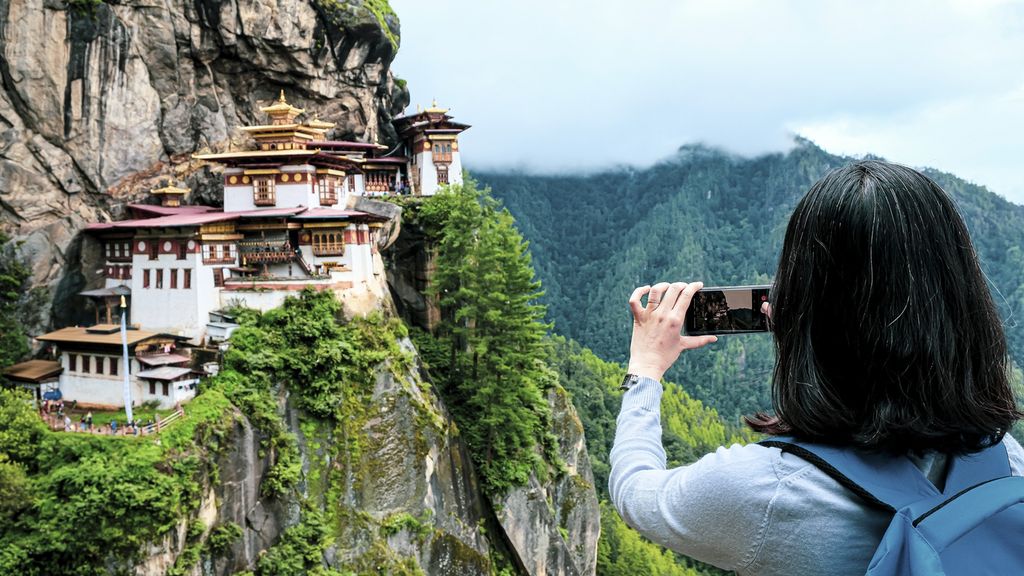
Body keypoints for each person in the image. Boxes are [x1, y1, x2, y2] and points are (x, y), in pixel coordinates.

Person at [609, 161, 1024, 575]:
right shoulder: (1006, 461)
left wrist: (645, 369)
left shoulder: (769, 491)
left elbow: (634, 491)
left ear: (800, 310)